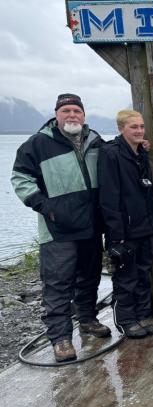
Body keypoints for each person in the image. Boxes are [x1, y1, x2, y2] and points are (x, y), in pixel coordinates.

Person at [11, 93, 109, 362]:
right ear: (56, 115)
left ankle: (88, 319)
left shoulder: (95, 141)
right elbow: (20, 178)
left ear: (84, 115)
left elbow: (115, 160)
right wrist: (44, 206)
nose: (72, 115)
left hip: (90, 226)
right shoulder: (38, 144)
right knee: (57, 284)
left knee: (90, 277)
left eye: (77, 110)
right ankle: (61, 338)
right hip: (57, 230)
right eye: (66, 111)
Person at [98, 110, 153, 339]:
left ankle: (141, 314)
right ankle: (126, 321)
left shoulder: (140, 154)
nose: (139, 131)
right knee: (126, 277)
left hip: (144, 226)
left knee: (144, 274)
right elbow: (108, 197)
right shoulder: (111, 154)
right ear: (121, 128)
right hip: (124, 230)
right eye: (133, 127)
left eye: (141, 127)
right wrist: (116, 234)